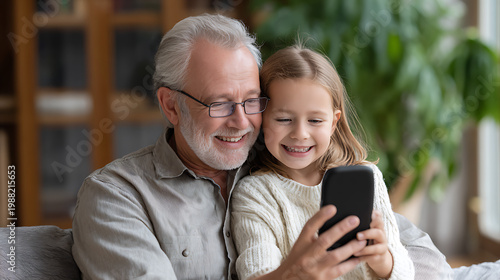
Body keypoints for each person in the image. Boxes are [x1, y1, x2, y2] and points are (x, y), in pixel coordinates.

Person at [72, 13, 454, 280]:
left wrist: (386, 258)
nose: (241, 122)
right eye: (220, 104)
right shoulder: (115, 197)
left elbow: (426, 258)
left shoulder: (291, 161)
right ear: (171, 105)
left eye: (253, 101)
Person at [230, 45, 414, 280]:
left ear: (334, 123)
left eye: (315, 120)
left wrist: (383, 260)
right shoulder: (255, 194)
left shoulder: (367, 177)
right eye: (284, 119)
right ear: (262, 118)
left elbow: (406, 273)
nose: (300, 133)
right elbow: (255, 274)